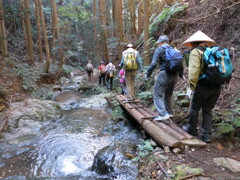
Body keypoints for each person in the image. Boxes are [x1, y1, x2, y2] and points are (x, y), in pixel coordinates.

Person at [182, 30, 221, 143]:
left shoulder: (196, 52)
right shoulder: (214, 51)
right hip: (216, 86)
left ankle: (192, 130)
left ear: (194, 43)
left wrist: (191, 86)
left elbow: (193, 72)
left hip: (202, 86)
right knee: (208, 110)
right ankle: (206, 135)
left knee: (195, 108)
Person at [145, 35, 183, 121]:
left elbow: (154, 63)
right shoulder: (174, 49)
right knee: (168, 95)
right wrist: (180, 75)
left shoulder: (160, 49)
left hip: (164, 74)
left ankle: (162, 114)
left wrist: (148, 73)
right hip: (175, 75)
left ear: (160, 42)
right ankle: (169, 113)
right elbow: (180, 63)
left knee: (157, 94)